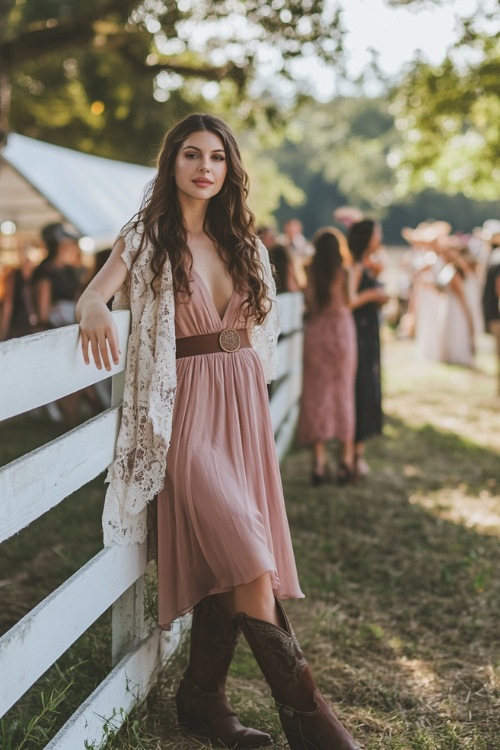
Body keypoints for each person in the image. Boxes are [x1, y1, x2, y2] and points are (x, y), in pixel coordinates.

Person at [76, 114, 359, 750]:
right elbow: (94, 295)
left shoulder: (244, 243)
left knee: (232, 561)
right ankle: (314, 726)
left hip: (242, 411)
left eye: (217, 158)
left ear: (229, 170)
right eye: (191, 155)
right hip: (186, 416)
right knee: (248, 559)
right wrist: (94, 307)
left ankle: (203, 702)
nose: (205, 167)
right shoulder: (146, 238)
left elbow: (259, 341)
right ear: (170, 163)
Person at [297, 227, 357, 485]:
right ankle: (345, 460)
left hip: (317, 331)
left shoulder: (310, 270)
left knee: (316, 393)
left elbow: (309, 303)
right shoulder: (345, 271)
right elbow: (349, 301)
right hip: (341, 332)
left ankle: (319, 463)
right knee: (343, 392)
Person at [348, 219, 389, 479]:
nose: (381, 236)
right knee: (360, 388)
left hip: (368, 333)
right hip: (358, 335)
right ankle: (354, 455)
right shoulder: (354, 266)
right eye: (378, 232)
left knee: (366, 384)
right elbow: (350, 301)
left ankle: (357, 453)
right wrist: (375, 295)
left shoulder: (368, 264)